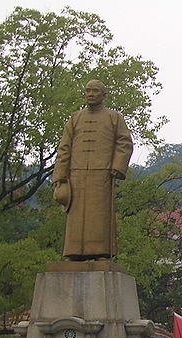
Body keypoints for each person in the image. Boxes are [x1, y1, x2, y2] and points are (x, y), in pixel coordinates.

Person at [52, 79, 133, 260]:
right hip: (76, 175)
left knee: (99, 217)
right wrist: (60, 176)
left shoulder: (114, 117)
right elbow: (64, 148)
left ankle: (101, 252)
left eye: (95, 91)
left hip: (102, 174)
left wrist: (117, 166)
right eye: (88, 91)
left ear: (103, 95)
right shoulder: (75, 118)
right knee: (76, 216)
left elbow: (124, 142)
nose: (91, 94)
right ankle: (74, 253)